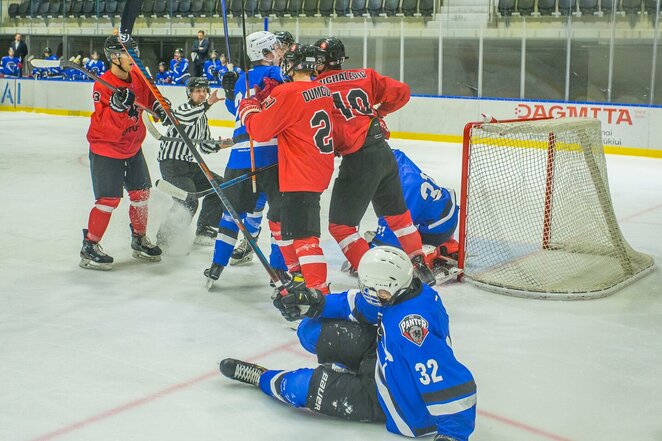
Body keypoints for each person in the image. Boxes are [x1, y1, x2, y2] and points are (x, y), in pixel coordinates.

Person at [220, 246, 477, 441]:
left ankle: (261, 377)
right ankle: (347, 374)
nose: (363, 287)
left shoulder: (411, 328)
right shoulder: (403, 291)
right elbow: (361, 305)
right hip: (383, 358)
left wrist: (453, 434)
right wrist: (315, 302)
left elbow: (447, 379)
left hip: (392, 400)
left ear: (385, 289)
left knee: (299, 387)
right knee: (310, 329)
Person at [312, 36, 435, 285]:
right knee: (399, 217)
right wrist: (380, 112)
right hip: (382, 152)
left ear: (323, 61)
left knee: (341, 227)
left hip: (358, 161)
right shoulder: (365, 75)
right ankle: (419, 261)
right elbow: (402, 91)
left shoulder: (315, 89)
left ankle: (374, 276)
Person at [236, 43, 336, 294]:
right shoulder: (323, 90)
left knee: (305, 238)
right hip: (316, 168)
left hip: (300, 173)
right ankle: (296, 275)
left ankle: (318, 298)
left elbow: (259, 130)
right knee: (277, 220)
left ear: (290, 65)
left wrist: (248, 109)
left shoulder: (287, 93)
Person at [204, 31, 287, 288]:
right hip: (271, 154)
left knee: (231, 214)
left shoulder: (242, 80)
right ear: (263, 53)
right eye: (274, 49)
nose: (279, 53)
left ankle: (217, 264)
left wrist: (231, 91)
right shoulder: (275, 74)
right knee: (280, 217)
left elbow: (236, 109)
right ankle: (281, 271)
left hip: (239, 157)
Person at [79, 35, 165, 271]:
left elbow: (149, 96)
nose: (134, 58)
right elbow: (103, 125)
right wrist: (117, 108)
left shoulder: (136, 75)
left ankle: (139, 238)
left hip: (132, 146)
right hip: (107, 148)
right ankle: (90, 245)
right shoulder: (102, 85)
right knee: (108, 201)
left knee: (141, 195)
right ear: (115, 57)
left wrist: (159, 107)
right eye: (130, 53)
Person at [343, 149, 459, 275]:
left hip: (436, 229)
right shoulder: (393, 158)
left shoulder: (400, 188)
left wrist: (366, 258)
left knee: (387, 257)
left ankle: (430, 255)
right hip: (442, 214)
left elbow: (389, 239)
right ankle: (447, 245)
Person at [156, 77, 226, 249]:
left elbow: (205, 146)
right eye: (197, 91)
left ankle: (204, 229)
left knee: (220, 186)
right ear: (189, 93)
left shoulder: (202, 117)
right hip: (172, 164)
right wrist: (208, 104)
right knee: (188, 200)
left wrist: (220, 145)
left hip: (188, 165)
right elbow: (185, 120)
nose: (202, 94)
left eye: (204, 91)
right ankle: (164, 237)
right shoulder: (183, 109)